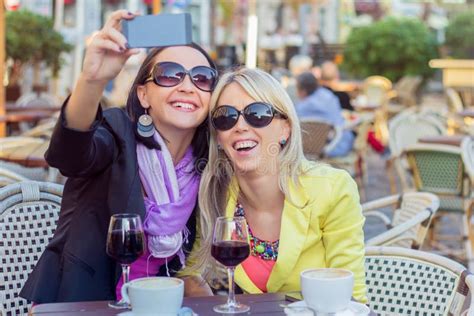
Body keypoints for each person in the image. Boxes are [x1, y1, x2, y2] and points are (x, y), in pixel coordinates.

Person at [20, 10, 216, 303]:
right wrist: (92, 80)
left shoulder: (208, 163)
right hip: (86, 302)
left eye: (202, 78)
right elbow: (69, 155)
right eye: (169, 74)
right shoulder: (117, 132)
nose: (187, 86)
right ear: (143, 95)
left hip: (159, 304)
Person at [187, 68, 367, 303]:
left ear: (286, 128)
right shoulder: (214, 193)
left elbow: (352, 297)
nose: (240, 126)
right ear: (218, 137)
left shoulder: (332, 188)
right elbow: (191, 272)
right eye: (226, 117)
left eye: (257, 114)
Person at [295, 72, 355, 157]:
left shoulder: (302, 107)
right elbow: (339, 121)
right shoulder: (329, 96)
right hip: (337, 144)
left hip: (310, 150)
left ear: (303, 91)